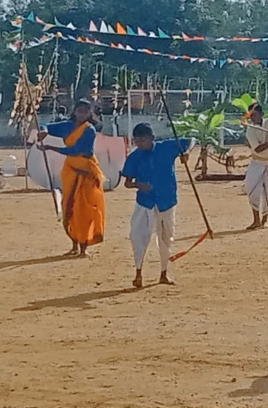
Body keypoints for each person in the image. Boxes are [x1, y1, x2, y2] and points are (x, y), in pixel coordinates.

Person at [121, 123, 191, 289]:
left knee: (166, 237)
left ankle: (163, 273)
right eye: (136, 140)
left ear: (151, 138)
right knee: (138, 237)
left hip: (167, 200)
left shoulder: (166, 147)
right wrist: (139, 185)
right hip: (145, 203)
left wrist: (186, 153)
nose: (139, 143)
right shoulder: (134, 157)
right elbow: (127, 183)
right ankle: (138, 273)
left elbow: (190, 141)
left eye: (142, 140)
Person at [37, 100, 106, 257]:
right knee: (69, 208)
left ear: (90, 113)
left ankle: (84, 247)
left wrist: (49, 147)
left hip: (86, 173)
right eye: (79, 111)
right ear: (75, 111)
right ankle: (74, 244)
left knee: (85, 210)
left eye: (85, 111)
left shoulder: (89, 130)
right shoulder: (67, 126)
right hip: (71, 172)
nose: (81, 114)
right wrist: (44, 131)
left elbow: (76, 150)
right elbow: (46, 125)